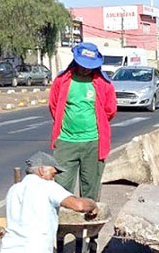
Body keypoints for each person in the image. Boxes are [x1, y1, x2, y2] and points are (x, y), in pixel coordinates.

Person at [48, 41, 117, 200]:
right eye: (83, 64)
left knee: (90, 188)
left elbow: (110, 110)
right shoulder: (62, 80)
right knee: (61, 188)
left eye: (89, 66)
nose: (86, 68)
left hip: (93, 143)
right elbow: (54, 106)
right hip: (66, 142)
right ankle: (62, 224)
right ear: (76, 61)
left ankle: (88, 223)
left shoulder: (103, 84)